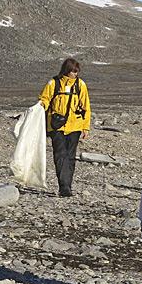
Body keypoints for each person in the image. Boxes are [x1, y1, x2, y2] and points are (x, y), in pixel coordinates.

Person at [38, 57, 91, 197]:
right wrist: (40, 107)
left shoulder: (80, 85)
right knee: (60, 155)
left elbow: (86, 107)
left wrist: (86, 127)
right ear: (67, 71)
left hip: (75, 126)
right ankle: (64, 187)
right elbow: (44, 99)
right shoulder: (53, 83)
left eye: (77, 71)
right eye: (73, 71)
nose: (76, 74)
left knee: (70, 156)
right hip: (56, 126)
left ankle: (67, 185)